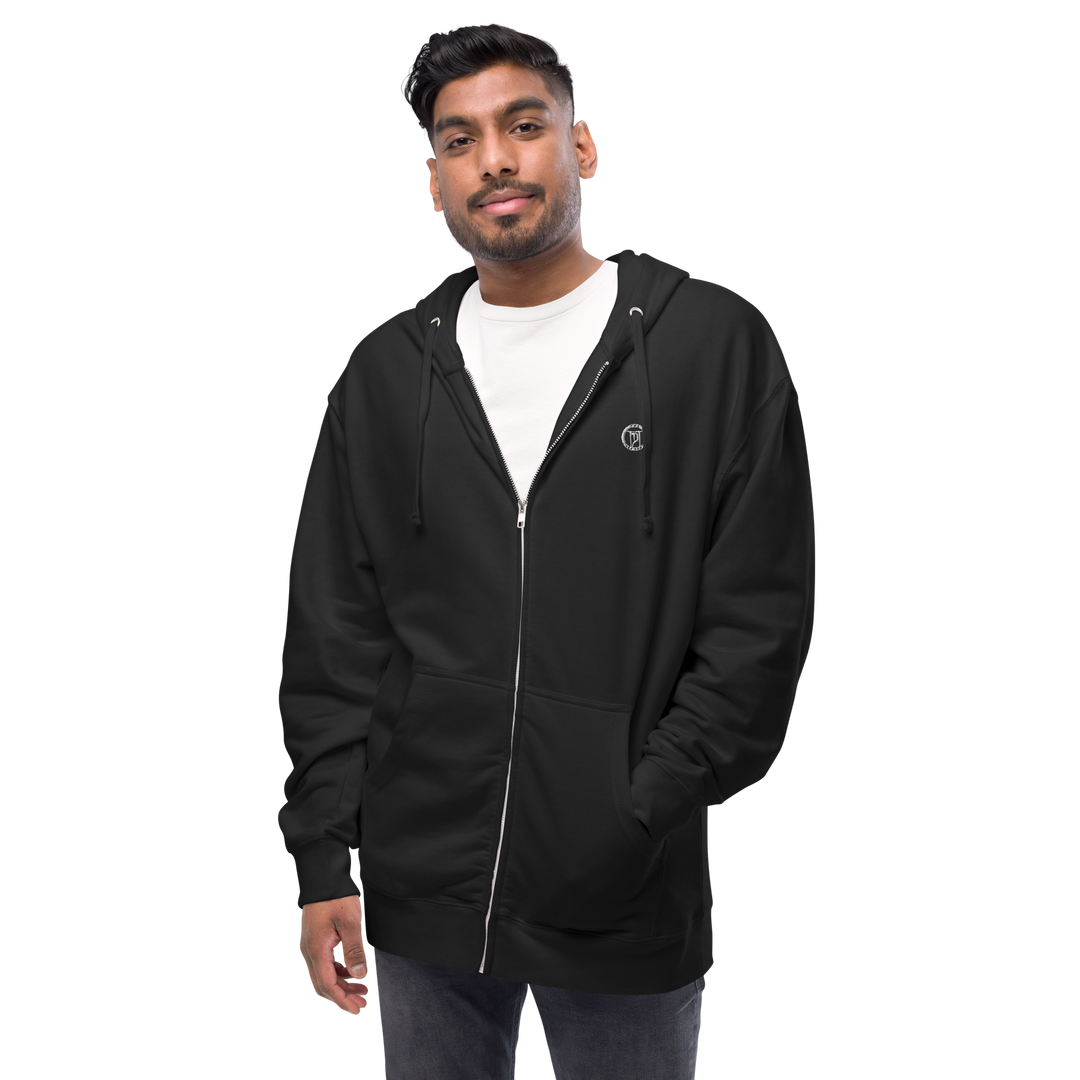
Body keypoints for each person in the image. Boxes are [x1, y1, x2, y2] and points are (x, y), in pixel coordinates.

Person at [278, 20, 817, 1079]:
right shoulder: (384, 372)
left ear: (583, 148)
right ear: (432, 182)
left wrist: (636, 808)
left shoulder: (713, 344)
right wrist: (324, 864)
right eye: (459, 140)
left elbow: (761, 624)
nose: (495, 159)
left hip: (624, 898)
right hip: (418, 898)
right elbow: (334, 639)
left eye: (524, 126)